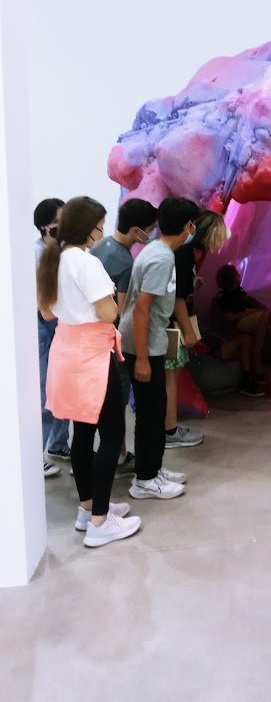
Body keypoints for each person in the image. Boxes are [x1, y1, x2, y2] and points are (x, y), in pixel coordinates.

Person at [37, 196, 140, 547]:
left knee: (81, 434)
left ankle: (88, 509)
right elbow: (109, 313)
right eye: (100, 224)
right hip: (93, 356)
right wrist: (110, 299)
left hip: (67, 352)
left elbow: (48, 314)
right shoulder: (86, 262)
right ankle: (100, 522)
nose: (103, 230)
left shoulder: (54, 259)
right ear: (90, 227)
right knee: (112, 433)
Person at [119, 197, 198, 499]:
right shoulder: (161, 258)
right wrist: (141, 357)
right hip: (144, 346)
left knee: (155, 409)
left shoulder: (159, 251)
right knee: (150, 414)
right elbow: (141, 310)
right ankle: (145, 479)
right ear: (188, 226)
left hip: (150, 342)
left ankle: (153, 468)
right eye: (194, 225)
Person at [91, 198, 158, 475]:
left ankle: (109, 450)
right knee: (116, 399)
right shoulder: (124, 262)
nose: (152, 234)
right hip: (110, 341)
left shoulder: (99, 247)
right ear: (136, 231)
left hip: (90, 339)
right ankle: (116, 454)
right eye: (150, 229)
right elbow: (120, 310)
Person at [164, 209, 228, 448]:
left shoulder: (187, 251)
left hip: (173, 322)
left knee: (173, 375)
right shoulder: (184, 251)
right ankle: (170, 430)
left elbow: (180, 286)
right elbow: (176, 297)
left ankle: (170, 427)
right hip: (172, 325)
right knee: (171, 377)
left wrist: (193, 282)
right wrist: (187, 331)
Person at [34, 197, 69, 476]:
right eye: (57, 223)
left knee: (63, 388)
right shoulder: (34, 255)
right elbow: (43, 306)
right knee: (45, 391)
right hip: (44, 328)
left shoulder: (64, 252)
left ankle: (58, 444)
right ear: (44, 226)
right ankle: (35, 456)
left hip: (61, 328)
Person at [215, 264, 271, 362]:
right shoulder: (224, 298)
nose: (239, 276)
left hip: (250, 316)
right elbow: (230, 318)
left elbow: (248, 304)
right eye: (237, 275)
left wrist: (254, 310)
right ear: (232, 279)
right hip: (239, 322)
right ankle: (258, 350)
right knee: (263, 316)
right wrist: (250, 312)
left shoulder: (239, 292)